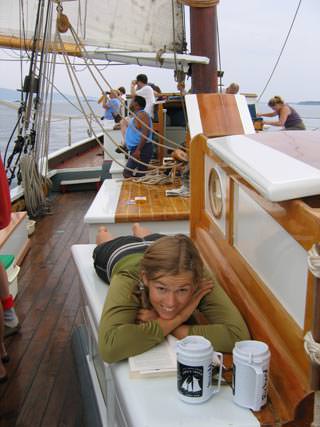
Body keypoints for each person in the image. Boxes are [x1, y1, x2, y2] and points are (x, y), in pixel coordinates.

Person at [95, 223, 250, 364]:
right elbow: (109, 348)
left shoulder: (198, 275)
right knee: (106, 240)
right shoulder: (127, 278)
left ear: (195, 283)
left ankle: (139, 230)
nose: (171, 302)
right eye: (161, 288)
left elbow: (237, 336)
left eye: (182, 290)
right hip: (120, 252)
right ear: (145, 278)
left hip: (157, 242)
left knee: (149, 238)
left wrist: (167, 323)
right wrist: (180, 318)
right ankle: (106, 232)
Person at [122, 95, 153, 178]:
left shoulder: (142, 115)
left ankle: (137, 187)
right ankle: (139, 188)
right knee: (140, 174)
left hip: (142, 149)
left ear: (136, 104)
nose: (130, 102)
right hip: (139, 148)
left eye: (132, 101)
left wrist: (138, 150)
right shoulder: (138, 115)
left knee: (127, 173)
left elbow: (145, 133)